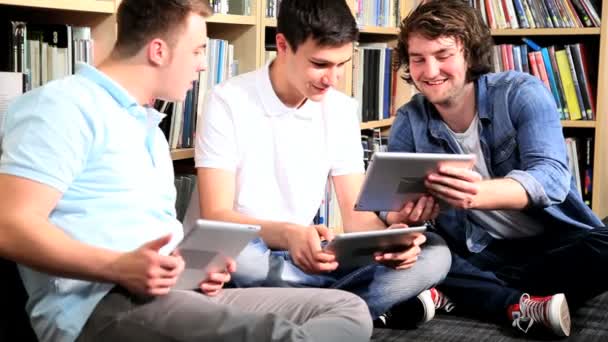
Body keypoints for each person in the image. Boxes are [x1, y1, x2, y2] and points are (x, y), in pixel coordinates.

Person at [0, 1, 376, 341]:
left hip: (174, 292)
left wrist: (189, 270)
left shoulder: (146, 128)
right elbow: (9, 226)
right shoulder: (61, 106)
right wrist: (118, 267)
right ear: (159, 51)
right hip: (103, 305)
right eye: (198, 50)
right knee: (280, 336)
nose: (201, 63)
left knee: (347, 311)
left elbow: (143, 237)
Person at [195, 0, 452, 328]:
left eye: (342, 64)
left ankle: (308, 309)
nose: (333, 79)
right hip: (254, 255)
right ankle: (348, 307)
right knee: (242, 260)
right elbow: (218, 217)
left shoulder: (341, 109)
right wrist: (290, 235)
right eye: (320, 64)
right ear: (284, 45)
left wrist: (393, 240)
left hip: (312, 258)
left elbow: (356, 216)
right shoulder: (227, 101)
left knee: (434, 252)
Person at [386, 0, 608, 337]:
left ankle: (456, 294)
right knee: (420, 249)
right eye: (418, 59)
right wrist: (406, 216)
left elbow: (551, 179)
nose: (429, 71)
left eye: (443, 56)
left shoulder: (521, 93)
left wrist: (475, 194)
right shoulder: (409, 120)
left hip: (557, 243)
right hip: (482, 254)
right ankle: (517, 304)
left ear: (470, 55)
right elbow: (390, 211)